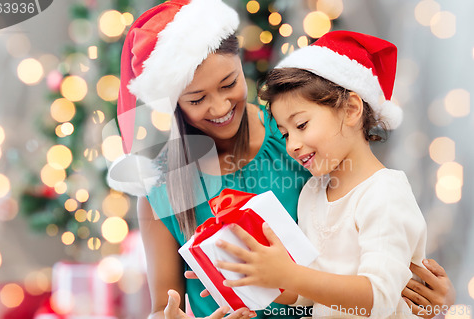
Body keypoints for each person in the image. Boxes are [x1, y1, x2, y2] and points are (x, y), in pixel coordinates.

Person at [106, 0, 456, 317]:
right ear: (174, 103)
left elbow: (375, 244)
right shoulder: (163, 187)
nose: (220, 107)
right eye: (197, 99)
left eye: (229, 84)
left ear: (241, 65)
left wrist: (430, 294)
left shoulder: (298, 134)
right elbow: (163, 308)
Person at [211, 31, 452, 318]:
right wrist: (256, 273)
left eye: (301, 125)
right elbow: (309, 293)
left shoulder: (385, 194)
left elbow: (380, 298)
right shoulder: (312, 193)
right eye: (285, 134)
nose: (292, 145)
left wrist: (289, 275)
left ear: (350, 109)